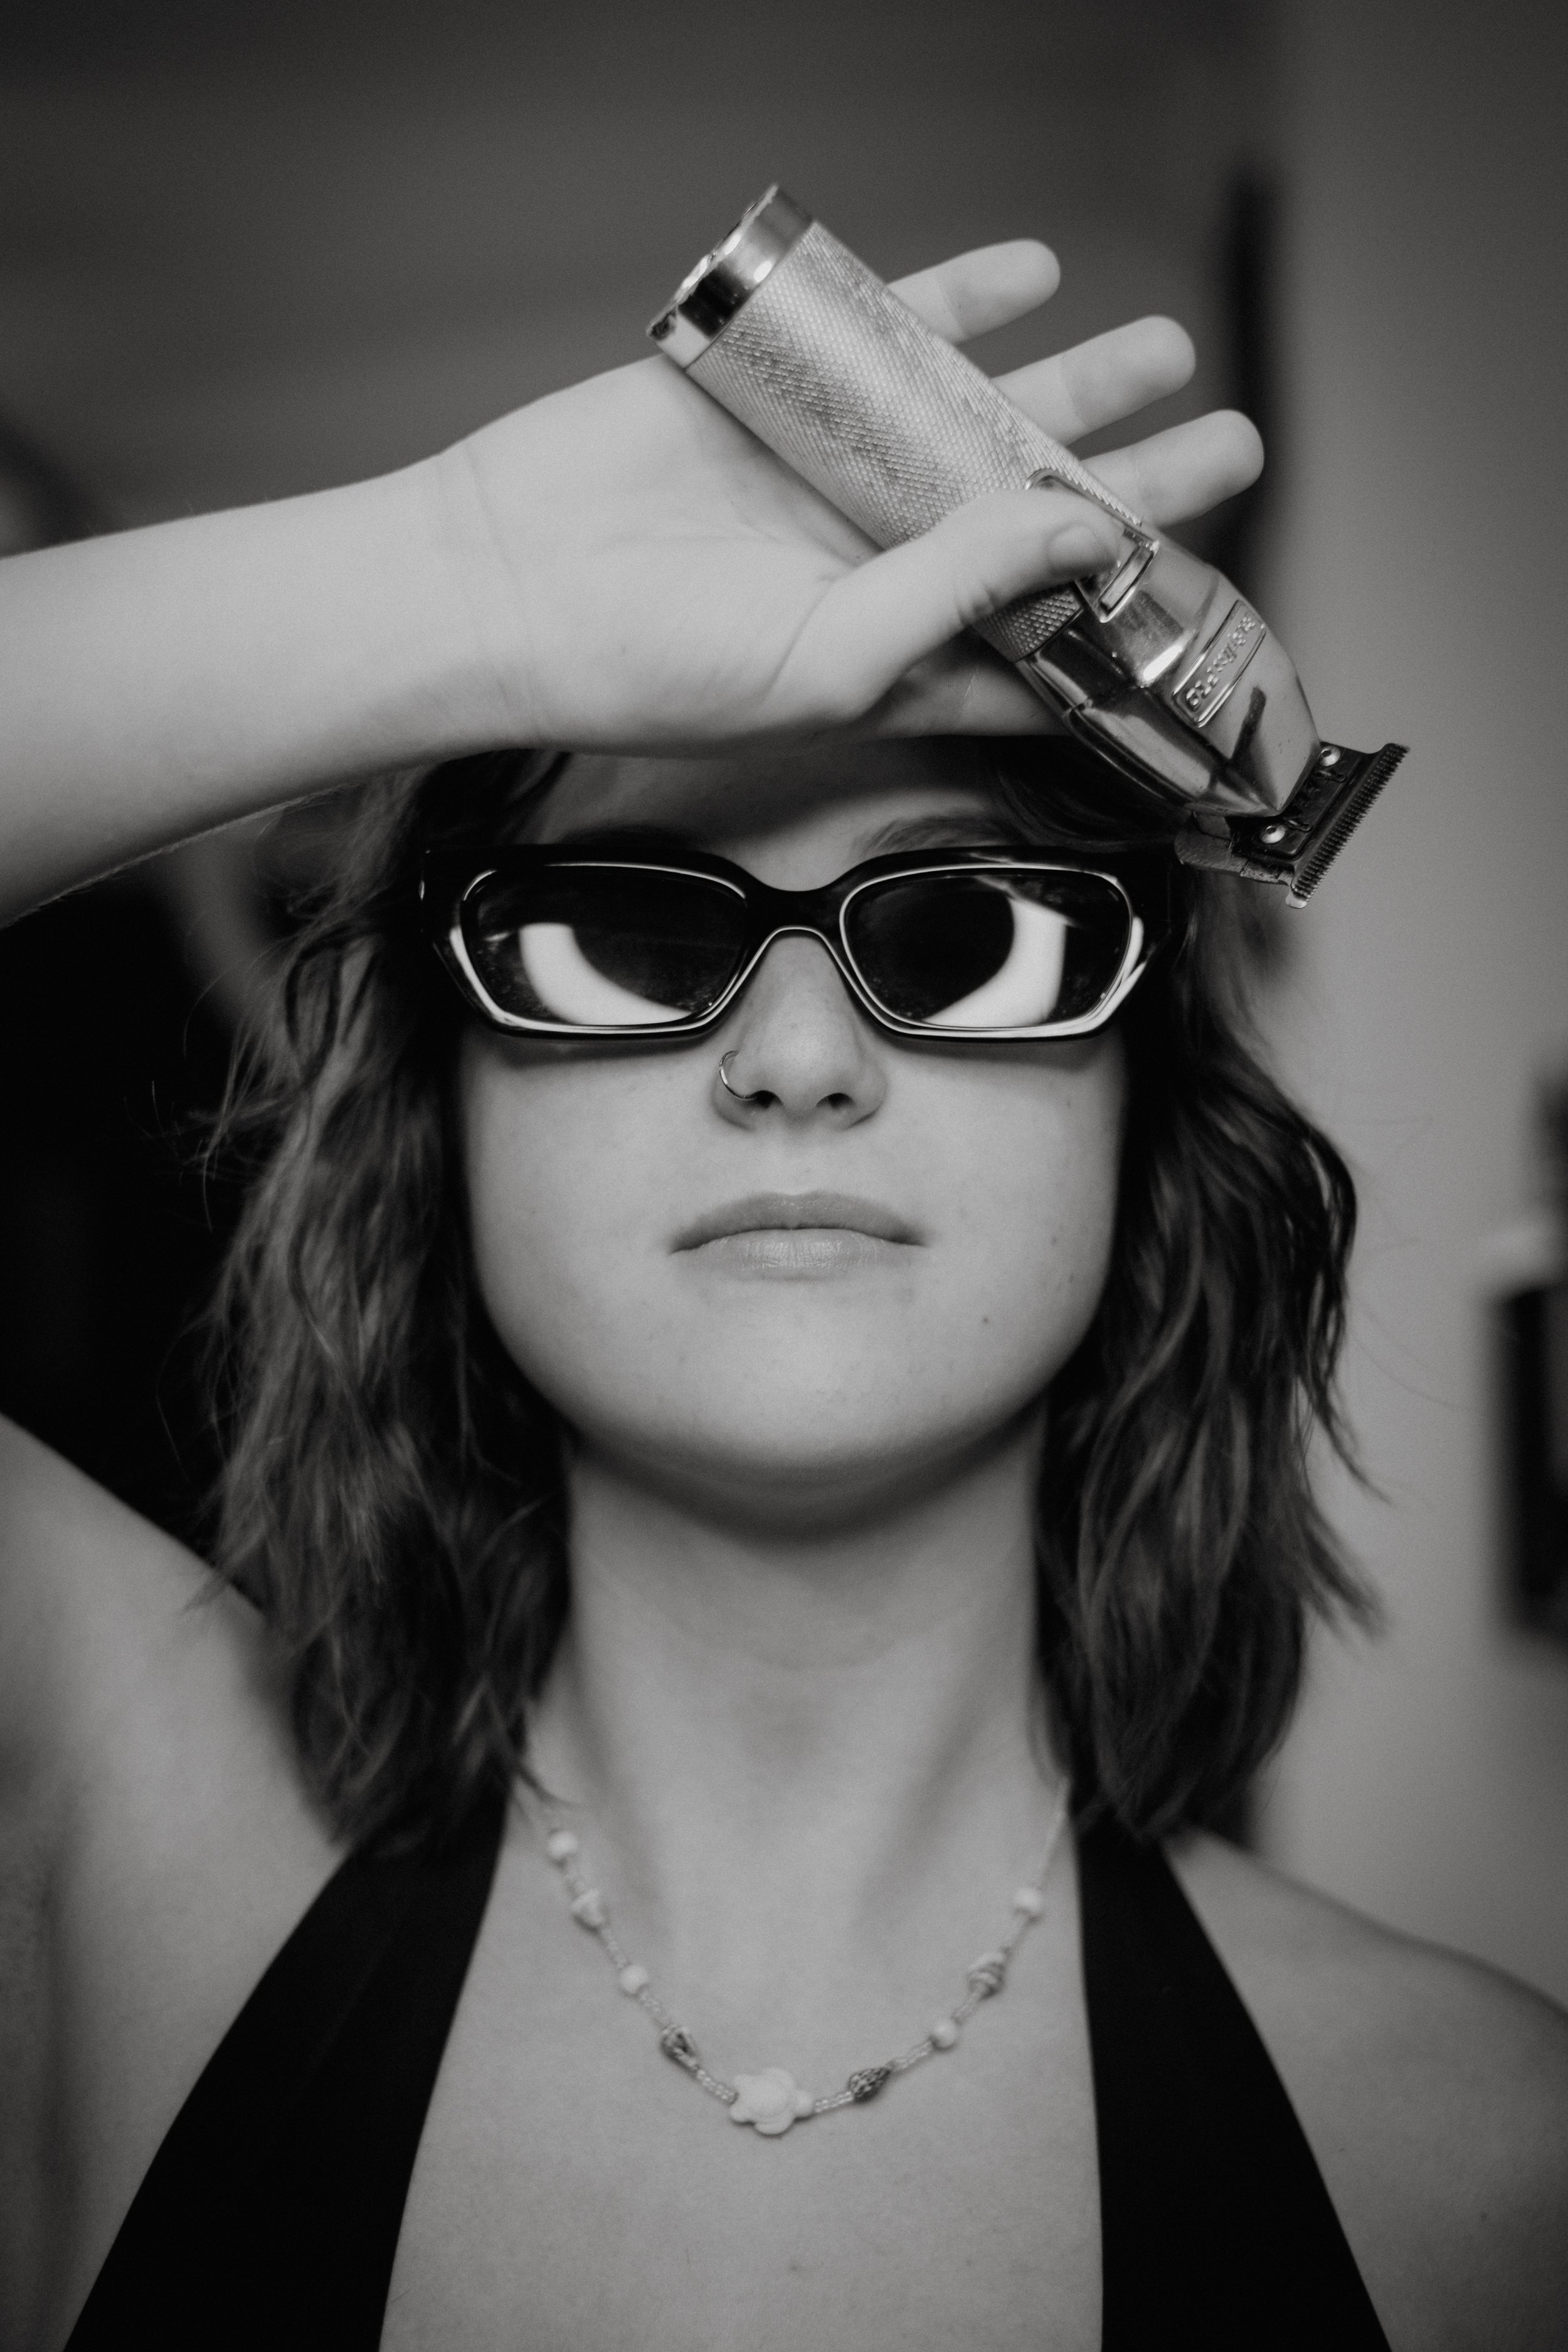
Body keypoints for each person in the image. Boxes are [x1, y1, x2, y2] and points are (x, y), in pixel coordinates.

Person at [0, 236, 1564, 2352]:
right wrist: (458, 585)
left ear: (1139, 1107)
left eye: (969, 933)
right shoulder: (103, 1851)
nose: (800, 1058)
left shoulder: (1487, 2162)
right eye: (623, 937)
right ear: (436, 1114)